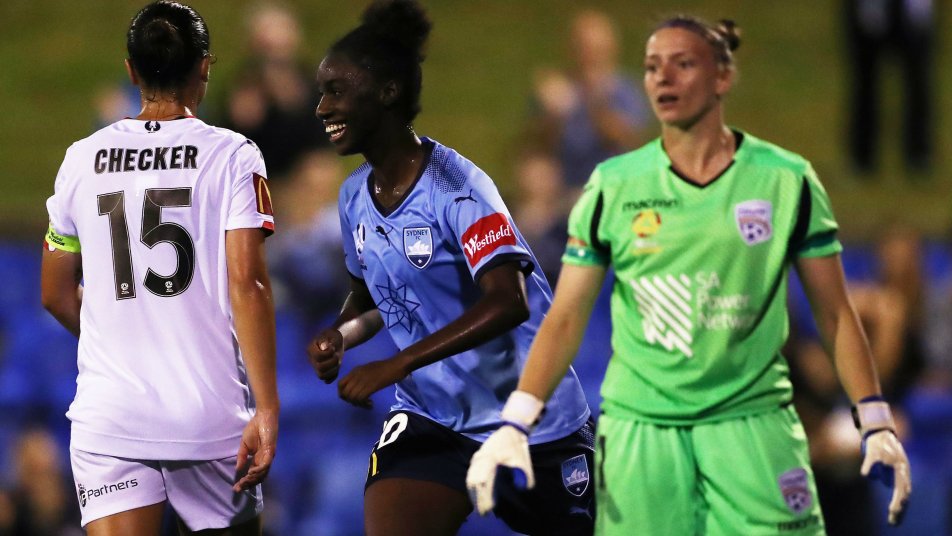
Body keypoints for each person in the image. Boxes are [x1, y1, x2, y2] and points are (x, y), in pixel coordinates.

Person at [467, 15, 912, 535]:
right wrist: (516, 421)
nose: (664, 77)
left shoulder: (786, 181)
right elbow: (565, 317)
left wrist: (874, 417)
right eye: (653, 66)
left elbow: (834, 314)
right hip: (642, 438)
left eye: (683, 64)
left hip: (753, 432)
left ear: (723, 77)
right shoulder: (611, 186)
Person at [306, 1, 594, 535]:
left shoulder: (459, 188)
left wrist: (399, 363)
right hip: (431, 419)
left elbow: (509, 301)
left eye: (336, 91)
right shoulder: (353, 197)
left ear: (387, 92)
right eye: (322, 92)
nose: (322, 107)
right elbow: (371, 298)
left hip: (529, 421)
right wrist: (340, 335)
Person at [40, 2, 278, 534]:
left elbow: (55, 293)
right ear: (204, 67)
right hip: (209, 415)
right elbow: (249, 283)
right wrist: (267, 409)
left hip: (111, 417)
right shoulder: (232, 155)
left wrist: (119, 336)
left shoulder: (81, 159)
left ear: (131, 71)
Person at [523, 9, 650, 195]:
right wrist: (551, 117)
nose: (588, 55)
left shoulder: (624, 90)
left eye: (595, 49)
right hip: (564, 190)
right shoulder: (556, 89)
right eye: (582, 47)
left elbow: (629, 138)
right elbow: (534, 149)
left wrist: (592, 97)